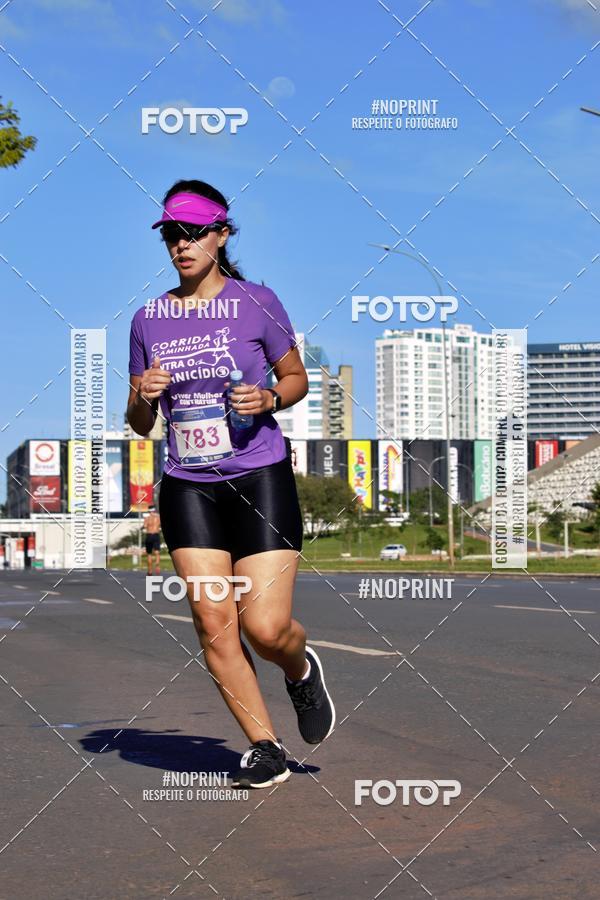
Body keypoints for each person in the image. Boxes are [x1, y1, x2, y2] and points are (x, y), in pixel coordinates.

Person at [126, 179, 335, 788]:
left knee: (264, 628)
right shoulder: (149, 319)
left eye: (193, 233)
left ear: (222, 234)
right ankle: (264, 746)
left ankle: (299, 669)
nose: (181, 245)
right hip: (188, 483)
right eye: (172, 234)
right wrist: (142, 396)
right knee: (212, 619)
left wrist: (269, 394)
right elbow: (140, 424)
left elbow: (295, 377)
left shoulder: (257, 302)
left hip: (259, 473)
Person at [143, 506, 161, 576]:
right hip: (156, 535)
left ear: (149, 511)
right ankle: (157, 565)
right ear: (154, 510)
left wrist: (142, 527)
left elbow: (144, 526)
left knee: (149, 554)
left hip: (149, 536)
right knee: (157, 553)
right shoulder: (158, 518)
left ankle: (150, 571)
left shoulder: (147, 518)